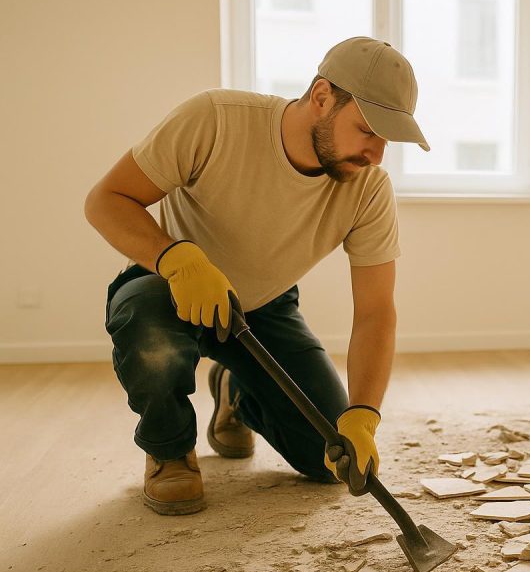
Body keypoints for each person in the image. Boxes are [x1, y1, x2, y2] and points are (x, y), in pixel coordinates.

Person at [84, 37, 429, 515]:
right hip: (171, 289)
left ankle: (234, 388)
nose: (376, 154)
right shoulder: (214, 119)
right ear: (322, 97)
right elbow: (106, 200)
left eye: (388, 140)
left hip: (263, 307)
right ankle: (169, 452)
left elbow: (375, 310)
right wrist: (178, 259)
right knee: (151, 339)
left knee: (325, 458)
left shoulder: (368, 189)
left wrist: (364, 415)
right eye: (368, 130)